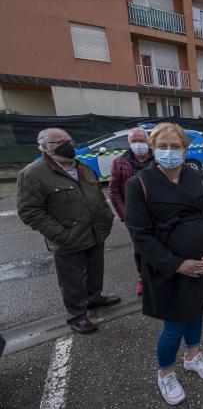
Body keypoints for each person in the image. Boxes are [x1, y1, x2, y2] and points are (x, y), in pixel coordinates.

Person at [124, 123, 203, 405]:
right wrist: (176, 264)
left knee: (196, 313)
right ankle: (165, 372)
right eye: (163, 146)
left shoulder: (200, 179)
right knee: (175, 324)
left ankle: (193, 356)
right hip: (169, 269)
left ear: (185, 148)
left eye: (175, 146)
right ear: (153, 148)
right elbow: (140, 235)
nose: (170, 152)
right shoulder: (139, 184)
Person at [17, 128, 119, 334]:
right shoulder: (33, 174)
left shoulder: (83, 168)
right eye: (60, 142)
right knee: (71, 280)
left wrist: (106, 219)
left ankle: (94, 298)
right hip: (67, 239)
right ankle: (77, 316)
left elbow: (99, 197)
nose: (68, 144)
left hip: (95, 232)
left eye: (69, 140)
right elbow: (30, 211)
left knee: (95, 271)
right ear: (45, 147)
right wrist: (60, 235)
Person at [109, 127, 154, 295]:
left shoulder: (158, 158)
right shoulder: (120, 162)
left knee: (163, 243)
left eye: (141, 141)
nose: (138, 144)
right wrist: (125, 215)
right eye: (134, 141)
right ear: (129, 143)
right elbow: (114, 191)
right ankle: (143, 278)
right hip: (135, 216)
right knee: (140, 249)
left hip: (159, 213)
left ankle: (161, 274)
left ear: (148, 141)